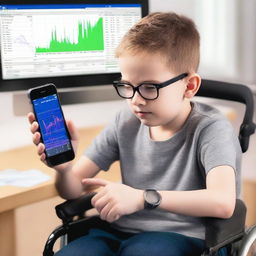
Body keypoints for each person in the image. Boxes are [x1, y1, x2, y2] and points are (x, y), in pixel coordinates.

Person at [28, 12, 241, 256]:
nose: (136, 100)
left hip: (184, 237)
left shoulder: (211, 129)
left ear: (189, 86)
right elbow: (72, 190)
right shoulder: (125, 122)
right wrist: (64, 169)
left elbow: (223, 203)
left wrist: (143, 198)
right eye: (127, 86)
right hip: (117, 231)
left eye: (150, 87)